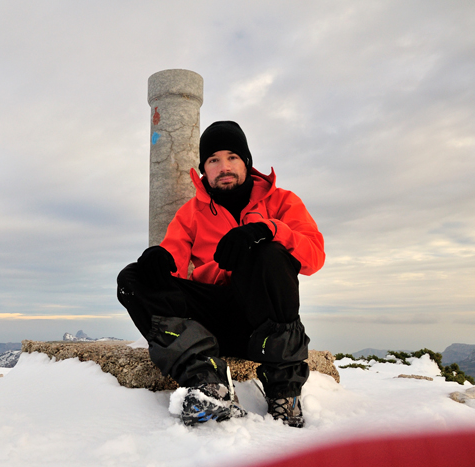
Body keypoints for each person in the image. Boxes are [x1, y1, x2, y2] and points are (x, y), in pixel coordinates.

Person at [117, 121, 325, 428]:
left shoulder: (282, 202)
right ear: (204, 170)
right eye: (213, 160)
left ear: (246, 162)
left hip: (261, 324)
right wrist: (158, 257)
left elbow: (314, 257)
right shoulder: (192, 212)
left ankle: (284, 393)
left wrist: (268, 230)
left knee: (268, 253)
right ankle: (208, 383)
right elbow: (173, 255)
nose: (223, 167)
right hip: (210, 321)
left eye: (231, 157)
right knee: (133, 278)